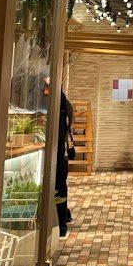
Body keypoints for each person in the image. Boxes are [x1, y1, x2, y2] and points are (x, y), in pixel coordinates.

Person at [55, 89, 74, 237]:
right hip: (62, 154)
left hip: (59, 155)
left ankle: (60, 223)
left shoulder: (60, 101)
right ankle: (61, 221)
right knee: (60, 187)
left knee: (58, 187)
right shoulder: (65, 102)